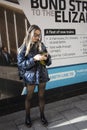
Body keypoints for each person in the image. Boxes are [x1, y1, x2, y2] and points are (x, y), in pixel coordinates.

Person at [17, 25, 51, 127]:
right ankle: (27, 117)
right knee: (29, 97)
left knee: (41, 96)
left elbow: (49, 62)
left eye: (39, 35)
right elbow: (21, 65)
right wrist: (34, 59)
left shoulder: (41, 45)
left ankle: (42, 116)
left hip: (42, 75)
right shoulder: (23, 48)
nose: (38, 37)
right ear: (30, 34)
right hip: (30, 77)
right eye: (35, 35)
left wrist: (46, 58)